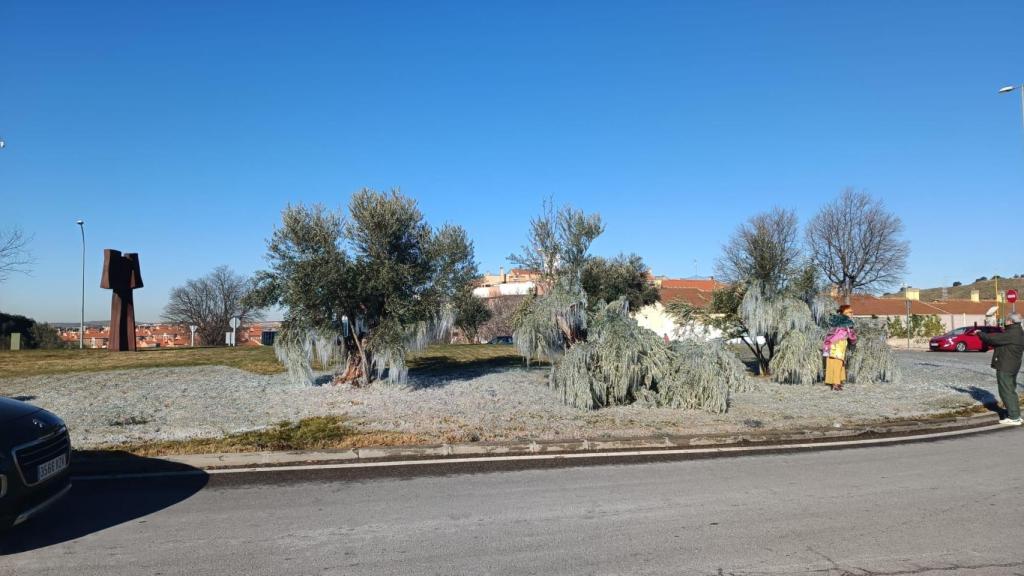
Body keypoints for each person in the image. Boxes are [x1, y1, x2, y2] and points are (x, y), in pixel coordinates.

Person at [977, 313, 1024, 426]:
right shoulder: (1019, 332)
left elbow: (991, 339)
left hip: (1006, 366)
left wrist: (979, 333)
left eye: (1006, 319)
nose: (1005, 321)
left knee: (1006, 392)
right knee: (1010, 391)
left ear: (1011, 321)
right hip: (1012, 366)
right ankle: (1015, 415)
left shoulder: (1011, 333)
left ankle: (1014, 417)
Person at [822, 305, 858, 391]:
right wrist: (854, 341)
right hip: (839, 344)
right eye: (850, 312)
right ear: (845, 312)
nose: (852, 313)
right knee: (839, 364)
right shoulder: (847, 323)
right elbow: (851, 336)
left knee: (832, 363)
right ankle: (836, 383)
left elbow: (829, 334)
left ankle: (834, 381)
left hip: (830, 344)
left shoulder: (834, 321)